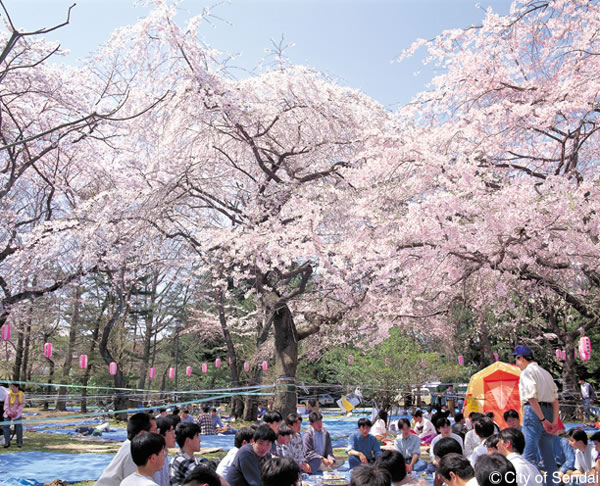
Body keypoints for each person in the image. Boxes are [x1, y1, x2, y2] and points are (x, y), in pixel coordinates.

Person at [512, 344, 560, 486]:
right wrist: (554, 420)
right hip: (549, 412)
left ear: (521, 358)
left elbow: (531, 398)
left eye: (516, 359)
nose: (516, 362)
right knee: (548, 457)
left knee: (529, 456)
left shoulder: (527, 373)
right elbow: (556, 401)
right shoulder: (546, 373)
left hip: (534, 412)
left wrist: (542, 419)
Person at [96, 413, 155, 486]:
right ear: (142, 434)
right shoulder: (133, 452)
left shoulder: (130, 445)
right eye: (154, 431)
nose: (158, 434)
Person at [154, 416, 177, 486]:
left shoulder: (164, 454)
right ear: (159, 434)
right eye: (170, 431)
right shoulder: (153, 459)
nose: (174, 436)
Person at [2, 383, 24, 448]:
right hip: (8, 412)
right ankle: (7, 442)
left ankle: (19, 442)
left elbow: (21, 404)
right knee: (6, 426)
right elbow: (6, 404)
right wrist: (8, 412)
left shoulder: (22, 395)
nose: (12, 388)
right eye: (11, 387)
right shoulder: (8, 394)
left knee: (18, 426)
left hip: (17, 413)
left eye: (13, 387)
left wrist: (16, 412)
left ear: (17, 387)